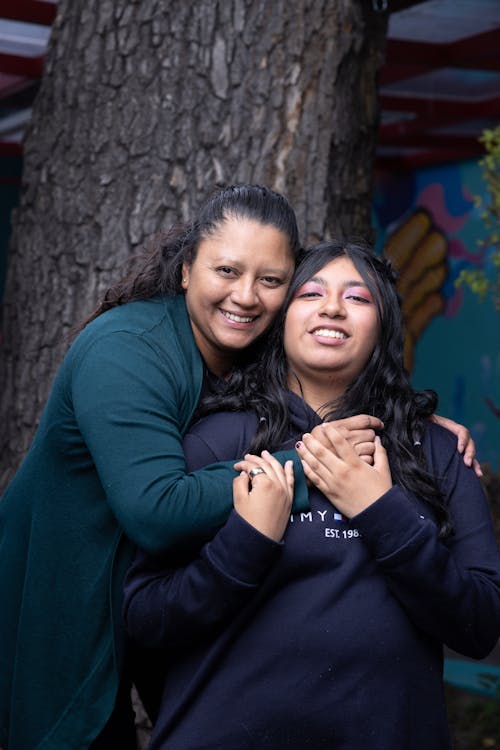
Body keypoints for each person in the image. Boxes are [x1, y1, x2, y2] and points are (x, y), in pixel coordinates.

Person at [0, 183, 476, 750]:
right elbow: (157, 509)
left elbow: (339, 362)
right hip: (61, 610)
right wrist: (309, 461)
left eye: (271, 280)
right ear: (184, 271)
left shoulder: (242, 350)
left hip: (153, 625)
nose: (246, 296)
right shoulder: (127, 349)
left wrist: (414, 424)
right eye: (225, 270)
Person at [123, 240, 500, 750]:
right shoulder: (218, 438)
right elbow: (143, 620)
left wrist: (379, 509)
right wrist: (248, 541)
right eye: (311, 292)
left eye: (359, 298)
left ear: (384, 325)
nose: (332, 308)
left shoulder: (435, 450)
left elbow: (479, 625)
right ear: (281, 320)